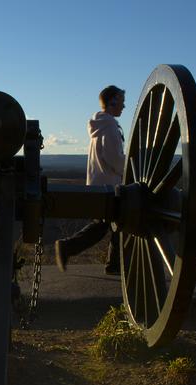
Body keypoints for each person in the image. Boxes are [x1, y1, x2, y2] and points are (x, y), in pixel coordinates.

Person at [55, 85, 125, 275]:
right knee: (114, 224)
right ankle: (68, 247)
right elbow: (114, 158)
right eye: (121, 101)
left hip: (98, 182)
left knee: (110, 225)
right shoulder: (109, 126)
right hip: (110, 184)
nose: (123, 106)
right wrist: (128, 169)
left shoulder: (100, 125)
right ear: (112, 102)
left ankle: (114, 265)